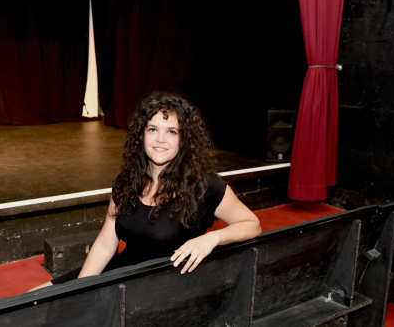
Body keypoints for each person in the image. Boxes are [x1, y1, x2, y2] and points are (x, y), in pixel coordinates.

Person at [29, 92, 261, 292]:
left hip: (162, 285)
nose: (160, 139)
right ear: (141, 135)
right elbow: (106, 243)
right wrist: (80, 289)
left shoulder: (204, 185)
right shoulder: (126, 182)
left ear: (183, 140)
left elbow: (252, 224)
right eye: (153, 129)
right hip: (122, 272)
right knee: (30, 300)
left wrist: (211, 238)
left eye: (172, 131)